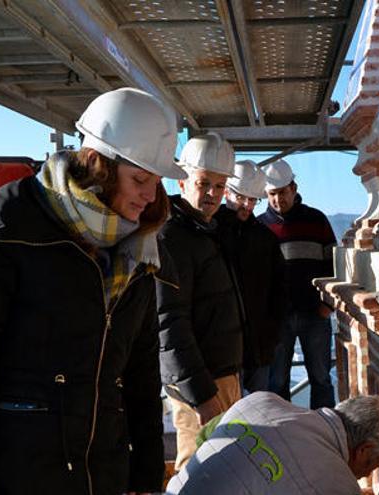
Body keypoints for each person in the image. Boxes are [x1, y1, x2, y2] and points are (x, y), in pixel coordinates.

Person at [0, 87, 183, 495]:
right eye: (140, 179)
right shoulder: (4, 237)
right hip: (21, 477)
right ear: (97, 164)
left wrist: (146, 473)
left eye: (156, 182)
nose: (151, 195)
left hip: (103, 476)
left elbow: (139, 373)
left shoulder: (138, 252)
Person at [156, 132, 245, 471]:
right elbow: (169, 323)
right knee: (196, 469)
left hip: (219, 375)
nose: (212, 194)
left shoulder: (202, 231)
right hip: (202, 382)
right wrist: (201, 395)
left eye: (220, 186)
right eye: (204, 183)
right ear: (182, 183)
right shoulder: (173, 237)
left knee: (219, 468)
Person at [166, 392, 379, 494]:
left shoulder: (260, 400)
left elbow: (203, 437)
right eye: (374, 467)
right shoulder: (336, 485)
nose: (366, 477)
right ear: (364, 451)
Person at [258, 160, 337, 409]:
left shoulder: (317, 220)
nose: (278, 199)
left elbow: (333, 265)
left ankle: (324, 433)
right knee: (277, 381)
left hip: (315, 314)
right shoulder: (259, 227)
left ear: (293, 188)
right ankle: (286, 436)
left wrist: (327, 305)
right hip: (277, 319)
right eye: (272, 194)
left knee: (321, 379)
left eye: (282, 192)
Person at [214, 160, 286, 394]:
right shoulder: (210, 233)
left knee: (258, 414)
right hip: (221, 348)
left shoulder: (265, 238)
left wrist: (272, 332)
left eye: (253, 199)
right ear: (227, 192)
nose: (247, 204)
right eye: (241, 197)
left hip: (259, 346)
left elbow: (279, 288)